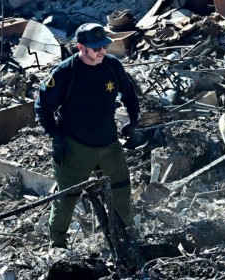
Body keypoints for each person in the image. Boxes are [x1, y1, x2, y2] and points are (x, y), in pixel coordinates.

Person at [35, 23, 140, 249]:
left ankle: (128, 238)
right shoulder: (64, 73)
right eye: (95, 48)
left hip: (109, 142)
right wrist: (55, 137)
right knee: (67, 197)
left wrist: (134, 121)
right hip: (76, 145)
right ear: (81, 47)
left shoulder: (112, 66)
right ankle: (58, 246)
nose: (101, 51)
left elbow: (130, 94)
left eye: (104, 46)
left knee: (121, 189)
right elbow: (42, 107)